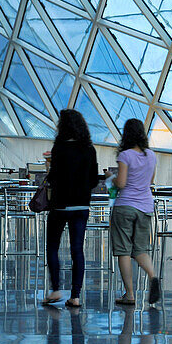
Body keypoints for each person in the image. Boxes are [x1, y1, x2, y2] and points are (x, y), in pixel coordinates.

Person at [42, 108, 100, 308]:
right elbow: (94, 179)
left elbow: (53, 176)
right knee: (77, 250)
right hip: (81, 204)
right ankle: (75, 296)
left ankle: (56, 288)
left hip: (59, 205)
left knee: (53, 247)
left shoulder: (59, 148)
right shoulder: (89, 149)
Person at [110, 118, 160, 306]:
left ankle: (129, 294)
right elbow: (150, 181)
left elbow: (121, 183)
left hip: (125, 206)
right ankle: (153, 276)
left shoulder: (125, 156)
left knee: (123, 250)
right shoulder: (152, 156)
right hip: (145, 206)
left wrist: (111, 178)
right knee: (140, 249)